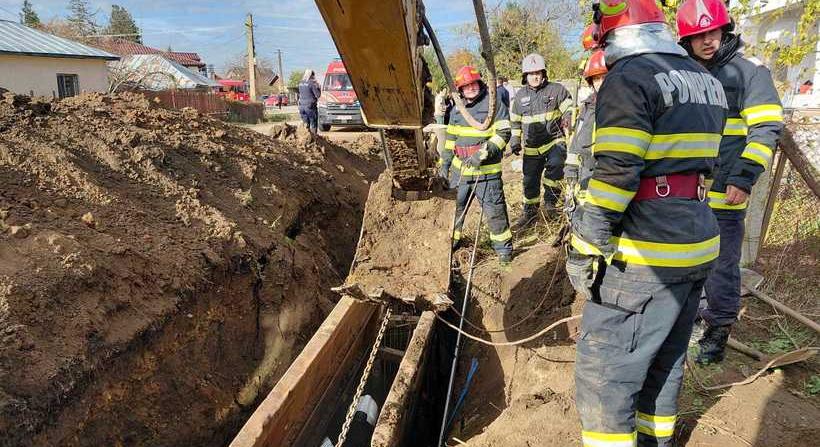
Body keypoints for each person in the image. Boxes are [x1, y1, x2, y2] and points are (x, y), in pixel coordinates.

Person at [567, 0, 727, 445]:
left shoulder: (629, 77)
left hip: (644, 255)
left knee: (607, 372)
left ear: (612, 36)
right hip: (695, 242)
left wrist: (587, 244)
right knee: (664, 361)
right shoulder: (704, 79)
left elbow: (617, 171)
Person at [676, 0, 784, 364]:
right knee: (686, 262)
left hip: (726, 190)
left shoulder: (748, 72)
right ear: (686, 39)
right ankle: (690, 318)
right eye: (698, 35)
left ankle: (718, 330)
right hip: (684, 191)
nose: (707, 41)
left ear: (725, 28)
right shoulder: (683, 73)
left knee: (721, 266)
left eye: (713, 31)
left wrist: (744, 178)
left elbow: (765, 129)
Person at [441, 66, 513, 265]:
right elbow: (450, 139)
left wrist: (481, 154)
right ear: (460, 90)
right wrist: (444, 164)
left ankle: (504, 255)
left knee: (495, 213)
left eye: (473, 83)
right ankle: (450, 246)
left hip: (486, 174)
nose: (470, 88)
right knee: (454, 213)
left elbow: (504, 134)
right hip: (460, 173)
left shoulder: (494, 104)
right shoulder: (457, 109)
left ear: (479, 83)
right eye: (465, 86)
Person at [509, 53, 573, 230]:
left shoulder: (557, 90)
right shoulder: (520, 97)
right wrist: (515, 140)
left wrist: (567, 118)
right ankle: (530, 212)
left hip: (554, 141)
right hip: (531, 147)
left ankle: (551, 204)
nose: (535, 76)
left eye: (538, 72)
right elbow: (514, 121)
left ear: (544, 73)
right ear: (525, 76)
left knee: (556, 166)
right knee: (530, 180)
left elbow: (569, 108)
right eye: (531, 73)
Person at [564, 49, 607, 234]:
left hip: (610, 172)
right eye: (596, 79)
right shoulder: (588, 106)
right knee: (583, 215)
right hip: (586, 172)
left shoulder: (624, 105)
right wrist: (571, 169)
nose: (601, 83)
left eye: (605, 77)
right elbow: (578, 140)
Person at [298, 69, 321, 134]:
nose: (314, 77)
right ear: (311, 75)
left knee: (306, 125)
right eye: (313, 75)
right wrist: (318, 87)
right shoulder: (312, 83)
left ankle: (306, 138)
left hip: (301, 107)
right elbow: (318, 95)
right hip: (310, 107)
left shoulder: (300, 83)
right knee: (313, 123)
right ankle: (314, 140)